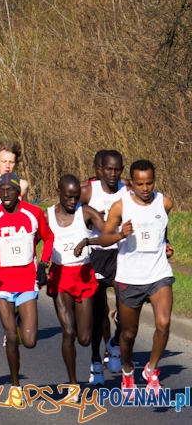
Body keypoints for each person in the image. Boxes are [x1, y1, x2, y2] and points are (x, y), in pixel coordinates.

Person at [0, 173, 53, 408]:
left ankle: (19, 319)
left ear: (19, 193)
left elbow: (48, 238)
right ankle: (15, 387)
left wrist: (43, 264)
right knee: (12, 337)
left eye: (10, 190)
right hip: (2, 284)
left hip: (26, 282)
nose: (5, 195)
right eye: (1, 191)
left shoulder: (33, 213)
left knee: (30, 340)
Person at [98, 160, 174, 398]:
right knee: (128, 333)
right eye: (140, 184)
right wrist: (120, 234)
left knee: (163, 323)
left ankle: (151, 370)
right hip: (130, 276)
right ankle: (128, 370)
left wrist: (166, 243)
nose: (145, 188)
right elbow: (103, 239)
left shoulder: (165, 202)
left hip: (158, 273)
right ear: (131, 182)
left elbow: (160, 227)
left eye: (149, 183)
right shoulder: (121, 207)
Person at [45, 175, 108, 401]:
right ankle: (73, 385)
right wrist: (38, 266)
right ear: (59, 193)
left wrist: (90, 241)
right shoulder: (47, 216)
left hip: (83, 275)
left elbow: (108, 234)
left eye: (76, 197)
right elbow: (31, 240)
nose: (73, 201)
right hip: (60, 276)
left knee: (84, 338)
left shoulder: (86, 212)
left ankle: (94, 355)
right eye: (68, 197)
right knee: (68, 332)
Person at [80, 149, 128, 383]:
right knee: (98, 314)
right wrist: (87, 219)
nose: (112, 174)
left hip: (121, 253)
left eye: (116, 170)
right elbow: (67, 211)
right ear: (100, 170)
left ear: (121, 170)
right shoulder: (88, 190)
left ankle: (115, 344)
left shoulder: (128, 189)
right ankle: (96, 361)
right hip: (96, 254)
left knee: (126, 309)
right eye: (108, 169)